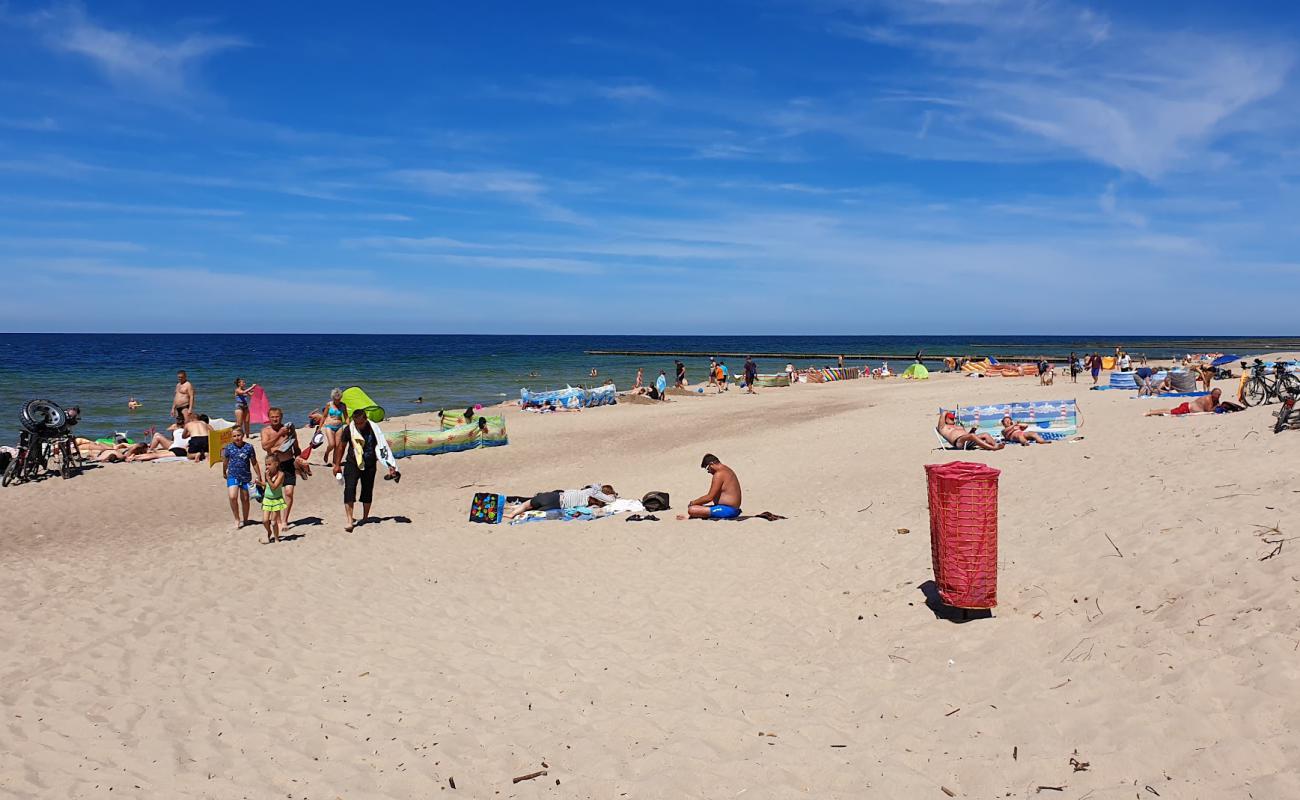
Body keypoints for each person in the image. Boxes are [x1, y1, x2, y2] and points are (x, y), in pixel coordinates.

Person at [332, 408, 398, 532]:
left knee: (367, 490)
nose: (359, 426)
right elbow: (341, 446)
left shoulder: (374, 429)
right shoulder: (349, 429)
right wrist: (336, 464)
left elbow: (382, 446)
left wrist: (390, 465)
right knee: (349, 489)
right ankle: (349, 520)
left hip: (370, 463)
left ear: (365, 420)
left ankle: (365, 517)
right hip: (352, 462)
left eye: (361, 423)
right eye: (356, 423)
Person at [260, 407, 304, 526]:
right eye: (272, 417)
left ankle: (285, 520)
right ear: (268, 418)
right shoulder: (266, 431)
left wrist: (299, 459)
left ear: (281, 416)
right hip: (274, 467)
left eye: (277, 416)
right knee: (275, 494)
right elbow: (265, 446)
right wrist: (279, 434)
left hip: (289, 463)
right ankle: (278, 519)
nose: (275, 419)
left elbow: (296, 447)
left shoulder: (289, 429)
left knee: (289, 492)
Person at [679, 453, 742, 520]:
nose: (708, 472)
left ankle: (695, 515)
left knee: (692, 509)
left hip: (728, 510)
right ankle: (695, 515)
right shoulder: (727, 469)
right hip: (730, 509)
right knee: (699, 506)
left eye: (707, 469)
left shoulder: (719, 474)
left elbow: (709, 497)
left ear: (711, 464)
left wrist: (692, 502)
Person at [222, 427, 263, 529]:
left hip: (245, 476)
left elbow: (254, 462)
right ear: (232, 437)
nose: (237, 438)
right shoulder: (228, 447)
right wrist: (224, 471)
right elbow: (225, 461)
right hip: (232, 475)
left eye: (238, 435)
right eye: (234, 436)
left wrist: (259, 475)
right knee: (232, 496)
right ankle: (237, 519)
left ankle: (245, 519)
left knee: (245, 499)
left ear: (243, 435)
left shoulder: (249, 447)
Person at [506, 484, 618, 519]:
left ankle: (511, 511)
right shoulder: (590, 503)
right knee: (530, 510)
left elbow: (596, 485)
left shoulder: (590, 491)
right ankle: (512, 513)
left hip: (554, 497)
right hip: (556, 506)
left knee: (526, 505)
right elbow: (610, 500)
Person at [936, 411, 1004, 451]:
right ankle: (992, 448)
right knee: (972, 436)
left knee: (985, 434)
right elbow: (943, 413)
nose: (952, 420)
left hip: (966, 441)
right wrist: (947, 412)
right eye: (950, 418)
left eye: (953, 418)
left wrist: (973, 430)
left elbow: (968, 435)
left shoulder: (958, 426)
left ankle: (995, 445)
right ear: (945, 419)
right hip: (958, 442)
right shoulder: (943, 427)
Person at [261, 457, 286, 544]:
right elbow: (267, 485)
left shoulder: (281, 474)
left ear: (276, 464)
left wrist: (267, 478)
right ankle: (269, 532)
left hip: (276, 500)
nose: (267, 467)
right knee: (265, 520)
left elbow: (274, 486)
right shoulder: (267, 474)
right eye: (266, 465)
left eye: (269, 464)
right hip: (267, 499)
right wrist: (260, 483)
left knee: (274, 522)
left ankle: (276, 538)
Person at [1146, 388, 1223, 416]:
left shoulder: (1215, 398)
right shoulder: (1208, 399)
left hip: (1187, 406)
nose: (1219, 396)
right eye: (1217, 395)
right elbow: (1209, 410)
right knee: (1170, 412)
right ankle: (1151, 412)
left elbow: (1216, 405)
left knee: (1170, 410)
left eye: (1219, 395)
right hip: (1187, 408)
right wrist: (1217, 407)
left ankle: (1153, 411)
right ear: (1213, 394)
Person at [320, 388, 347, 465]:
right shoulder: (329, 404)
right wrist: (319, 427)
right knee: (332, 444)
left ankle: (335, 462)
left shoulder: (343, 405)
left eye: (339, 399)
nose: (337, 401)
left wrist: (349, 426)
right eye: (336, 399)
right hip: (329, 426)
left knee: (338, 445)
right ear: (333, 398)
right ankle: (327, 453)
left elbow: (346, 416)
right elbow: (324, 416)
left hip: (339, 426)